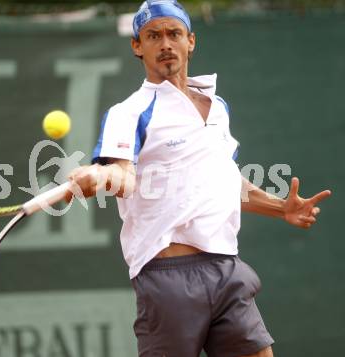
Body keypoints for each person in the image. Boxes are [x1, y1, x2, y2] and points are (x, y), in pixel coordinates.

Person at [66, 1, 332, 356]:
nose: (165, 44)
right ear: (137, 46)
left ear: (190, 41)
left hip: (226, 267)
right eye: (153, 36)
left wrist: (280, 208)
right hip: (167, 275)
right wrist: (98, 176)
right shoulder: (129, 112)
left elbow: (226, 181)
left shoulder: (217, 107)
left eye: (174, 34)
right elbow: (123, 176)